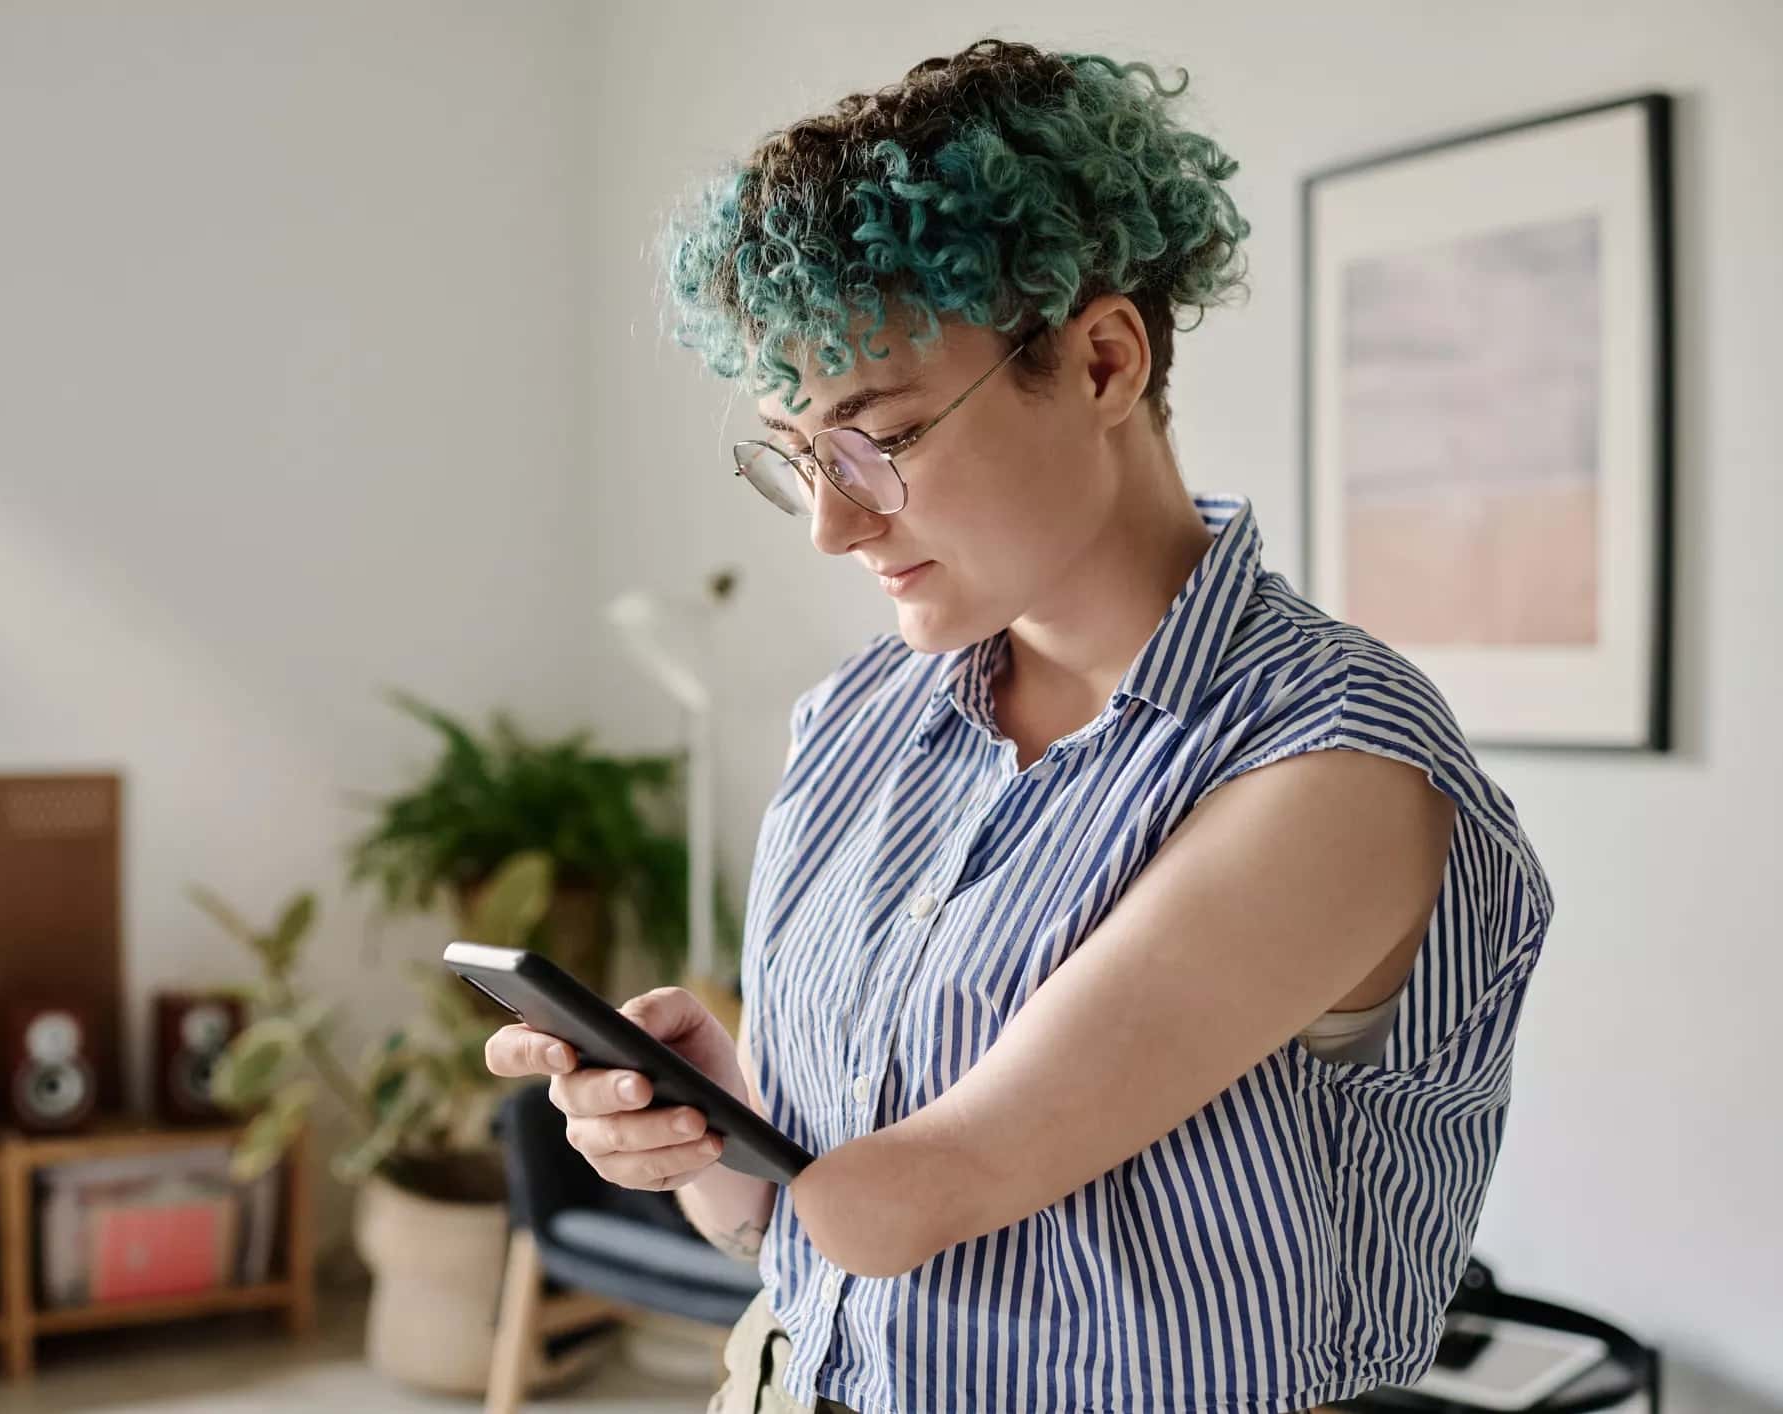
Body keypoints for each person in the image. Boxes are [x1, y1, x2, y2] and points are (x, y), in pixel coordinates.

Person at [485, 38, 1552, 1414]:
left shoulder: (1335, 762)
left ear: (1104, 359)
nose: (831, 520)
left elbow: (914, 1199)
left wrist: (785, 1170)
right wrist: (707, 1130)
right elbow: (799, 1243)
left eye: (883, 437)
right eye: (798, 450)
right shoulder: (858, 722)